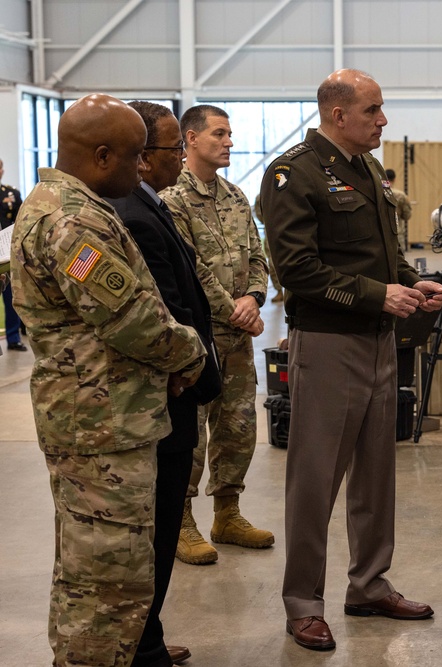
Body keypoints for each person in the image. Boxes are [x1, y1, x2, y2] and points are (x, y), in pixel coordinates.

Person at [10, 94, 207, 667]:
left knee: (89, 571)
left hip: (100, 419)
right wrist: (192, 352)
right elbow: (134, 320)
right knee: (108, 585)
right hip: (103, 428)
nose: (142, 166)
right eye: (135, 155)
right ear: (101, 156)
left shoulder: (63, 205)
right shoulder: (73, 223)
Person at [261, 68, 442, 652]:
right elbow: (295, 271)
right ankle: (302, 604)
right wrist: (378, 295)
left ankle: (368, 583)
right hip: (329, 340)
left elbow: (380, 254)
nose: (383, 119)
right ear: (338, 114)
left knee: (376, 472)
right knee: (315, 479)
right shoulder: (293, 173)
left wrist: (412, 283)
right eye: (373, 110)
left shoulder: (364, 168)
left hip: (379, 339)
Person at [107, 101, 223, 667]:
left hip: (177, 384)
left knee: (157, 527)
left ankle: (146, 637)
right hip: (165, 392)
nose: (178, 157)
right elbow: (166, 311)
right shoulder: (130, 212)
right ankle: (140, 646)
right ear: (139, 156)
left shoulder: (149, 204)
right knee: (151, 532)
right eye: (169, 148)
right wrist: (198, 370)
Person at [160, 104, 271, 566]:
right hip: (199, 336)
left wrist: (256, 296)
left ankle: (228, 513)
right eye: (219, 134)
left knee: (238, 426)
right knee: (194, 434)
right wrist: (235, 311)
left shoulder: (235, 195)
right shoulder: (171, 200)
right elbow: (193, 272)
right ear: (190, 139)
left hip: (238, 340)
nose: (229, 142)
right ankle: (181, 521)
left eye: (230, 134)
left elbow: (258, 254)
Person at [0, 158, 25, 352]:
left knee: (12, 296)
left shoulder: (11, 193)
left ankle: (14, 337)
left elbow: (21, 221)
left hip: (6, 252)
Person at [253, 194, 285, 303]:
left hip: (287, 231)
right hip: (272, 232)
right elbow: (260, 215)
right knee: (272, 263)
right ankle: (279, 291)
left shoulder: (286, 193)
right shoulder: (261, 197)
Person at [385, 168, 412, 250]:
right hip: (397, 231)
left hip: (381, 232)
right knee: (399, 259)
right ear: (394, 179)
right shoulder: (401, 195)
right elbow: (407, 215)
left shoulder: (377, 192)